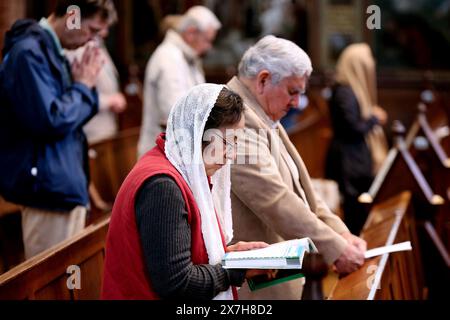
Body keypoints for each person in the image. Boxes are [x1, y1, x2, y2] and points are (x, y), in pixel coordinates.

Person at [227, 36, 367, 300]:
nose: (297, 103)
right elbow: (274, 199)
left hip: (275, 270)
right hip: (254, 284)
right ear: (263, 80)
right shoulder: (236, 118)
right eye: (293, 91)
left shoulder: (260, 110)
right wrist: (334, 248)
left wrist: (341, 234)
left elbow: (301, 190)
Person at [102, 84, 272, 300]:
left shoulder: (180, 167)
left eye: (236, 142)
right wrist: (234, 271)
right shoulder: (162, 186)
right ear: (198, 133)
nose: (231, 154)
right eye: (227, 142)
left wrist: (230, 257)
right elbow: (176, 283)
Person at [0, 0, 116, 259]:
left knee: (68, 280)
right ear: (72, 14)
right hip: (47, 187)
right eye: (92, 30)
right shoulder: (29, 52)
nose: (91, 41)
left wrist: (80, 88)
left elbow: (67, 117)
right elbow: (50, 120)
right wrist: (83, 87)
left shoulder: (48, 51)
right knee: (52, 281)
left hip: (61, 182)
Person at [138, 6, 222, 157]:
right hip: (161, 154)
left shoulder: (186, 57)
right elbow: (175, 111)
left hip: (178, 150)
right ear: (191, 33)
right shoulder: (169, 58)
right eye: (207, 40)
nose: (208, 47)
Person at [325, 43, 389, 234]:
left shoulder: (350, 89)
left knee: (360, 209)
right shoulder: (344, 91)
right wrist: (374, 119)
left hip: (355, 158)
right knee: (354, 212)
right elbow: (351, 128)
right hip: (348, 161)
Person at [66, 6, 127, 145]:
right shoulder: (79, 46)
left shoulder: (98, 45)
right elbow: (74, 92)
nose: (105, 32)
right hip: (90, 131)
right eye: (100, 27)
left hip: (104, 129)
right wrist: (108, 101)